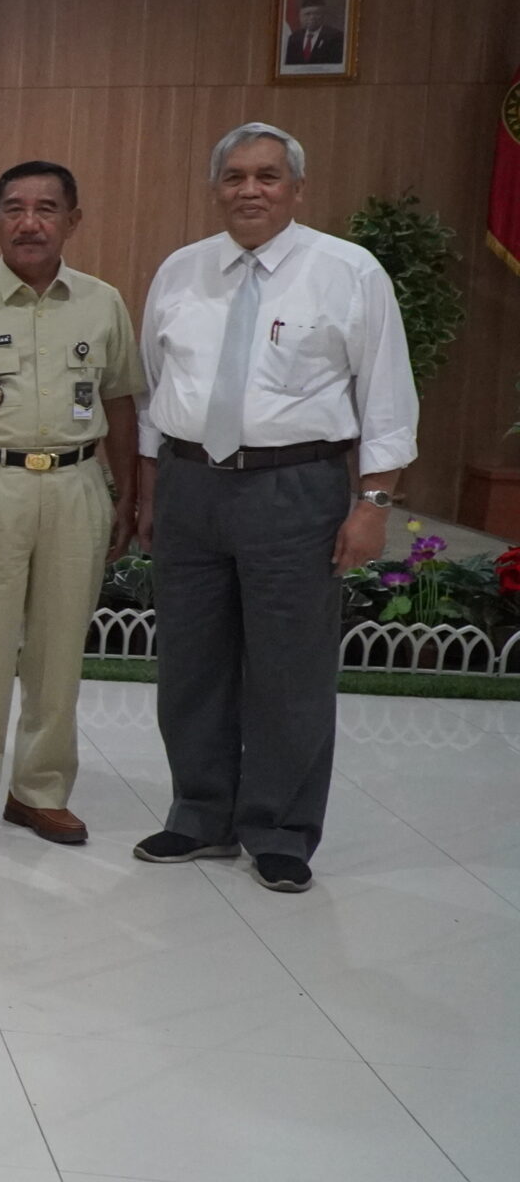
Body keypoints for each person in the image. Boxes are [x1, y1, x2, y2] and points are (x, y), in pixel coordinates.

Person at [133, 122, 416, 893]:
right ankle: (200, 814)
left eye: (266, 176)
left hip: (296, 489)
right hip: (192, 486)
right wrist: (154, 495)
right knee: (191, 661)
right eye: (234, 177)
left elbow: (386, 401)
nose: (249, 190)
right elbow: (158, 397)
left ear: (296, 187)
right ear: (215, 187)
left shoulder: (348, 272)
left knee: (290, 667)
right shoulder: (182, 272)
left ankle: (281, 828)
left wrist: (372, 504)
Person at [0, 162, 143, 847]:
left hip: (78, 485)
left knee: (58, 648)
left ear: (72, 220)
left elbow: (120, 399)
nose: (29, 222)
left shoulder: (102, 303)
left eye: (46, 208)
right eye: (15, 208)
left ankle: (39, 790)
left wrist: (133, 493)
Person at [284, 0, 345, 66]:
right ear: (300, 16)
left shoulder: (335, 37)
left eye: (316, 13)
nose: (312, 17)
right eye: (307, 14)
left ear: (323, 15)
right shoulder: (294, 38)